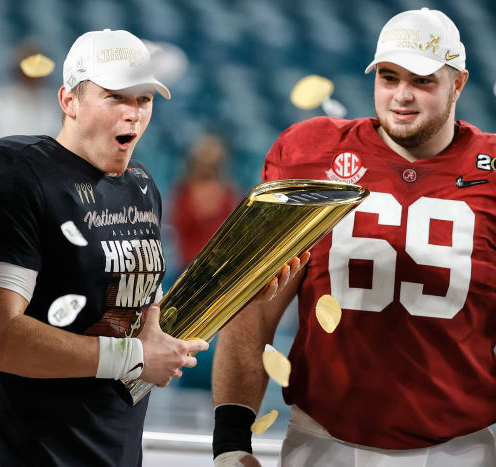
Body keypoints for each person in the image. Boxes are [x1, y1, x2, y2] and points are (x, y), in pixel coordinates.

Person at [0, 29, 304, 466]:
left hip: (114, 449)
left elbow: (145, 318)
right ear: (68, 100)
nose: (134, 115)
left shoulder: (140, 185)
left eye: (143, 100)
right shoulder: (15, 174)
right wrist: (132, 358)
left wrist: (233, 293)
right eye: (115, 97)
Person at [212, 8, 496, 467]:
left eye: (423, 81)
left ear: (458, 84)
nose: (401, 95)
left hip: (461, 446)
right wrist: (230, 441)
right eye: (388, 77)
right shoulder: (310, 153)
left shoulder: (492, 170)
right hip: (324, 439)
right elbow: (255, 307)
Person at [169, 132, 238, 270]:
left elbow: (235, 230)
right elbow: (179, 225)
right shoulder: (183, 193)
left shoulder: (227, 193)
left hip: (221, 266)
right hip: (190, 267)